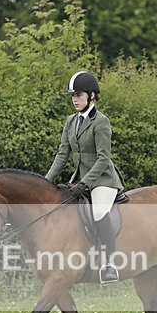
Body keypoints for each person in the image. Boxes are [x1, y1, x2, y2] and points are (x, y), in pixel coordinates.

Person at [45, 71, 124, 283]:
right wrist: (45, 182)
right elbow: (63, 154)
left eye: (78, 95)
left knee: (98, 212)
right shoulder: (70, 121)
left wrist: (85, 182)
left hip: (102, 180)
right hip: (78, 180)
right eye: (72, 96)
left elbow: (103, 158)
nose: (74, 99)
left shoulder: (101, 122)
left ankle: (109, 264)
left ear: (91, 95)